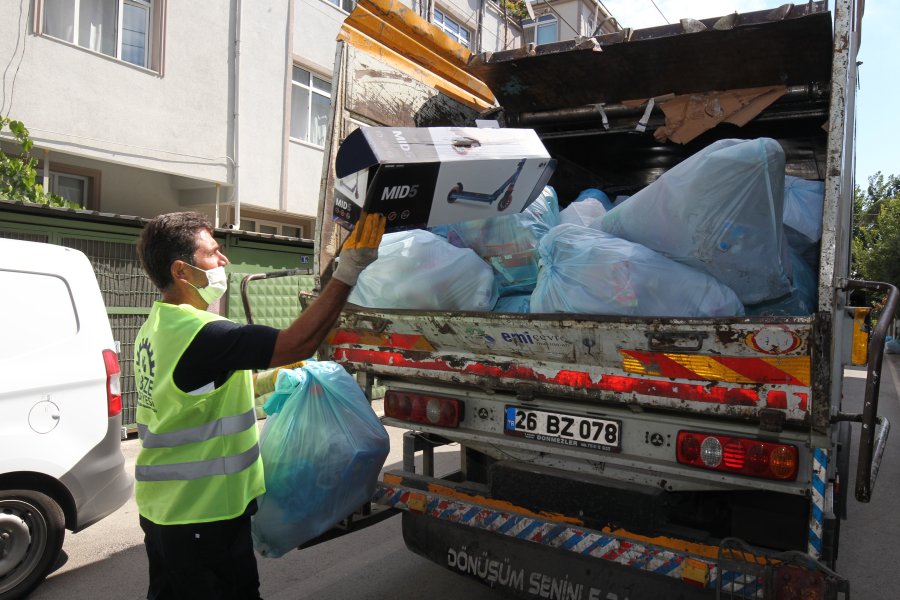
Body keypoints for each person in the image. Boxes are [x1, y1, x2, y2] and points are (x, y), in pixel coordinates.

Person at [133, 210, 385, 600]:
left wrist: (271, 379)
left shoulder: (157, 327)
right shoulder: (202, 334)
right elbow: (296, 343)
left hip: (168, 511)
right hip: (201, 514)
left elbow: (199, 394)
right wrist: (348, 271)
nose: (224, 261)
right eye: (213, 253)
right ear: (182, 271)